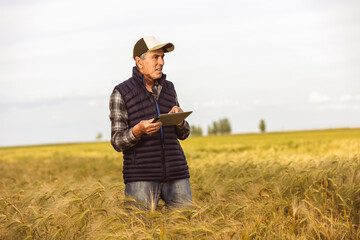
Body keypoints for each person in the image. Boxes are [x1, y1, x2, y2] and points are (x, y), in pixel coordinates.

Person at [109, 36, 192, 210]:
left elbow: (184, 134)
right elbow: (117, 141)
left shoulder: (169, 88)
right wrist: (137, 130)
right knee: (140, 230)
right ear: (139, 62)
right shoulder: (121, 92)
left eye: (163, 57)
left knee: (185, 227)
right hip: (141, 177)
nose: (161, 62)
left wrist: (179, 121)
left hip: (177, 174)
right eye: (156, 57)